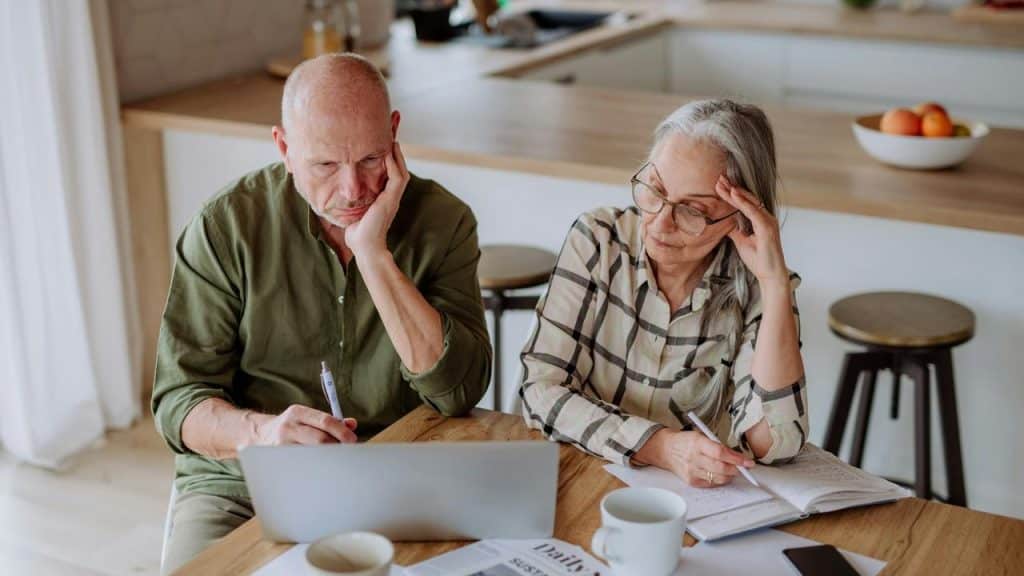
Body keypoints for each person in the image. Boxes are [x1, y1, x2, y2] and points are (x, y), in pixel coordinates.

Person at [152, 53, 491, 574]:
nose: (354, 191)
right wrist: (263, 435)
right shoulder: (227, 227)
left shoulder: (444, 223)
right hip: (244, 485)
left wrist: (374, 255)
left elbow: (458, 391)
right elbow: (179, 403)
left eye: (372, 160)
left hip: (390, 476)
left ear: (395, 132)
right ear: (284, 148)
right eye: (326, 165)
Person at [520, 99, 807, 488]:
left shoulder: (760, 284)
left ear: (738, 217)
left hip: (695, 502)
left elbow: (775, 445)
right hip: (576, 473)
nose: (659, 222)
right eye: (654, 190)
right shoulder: (599, 241)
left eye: (692, 210)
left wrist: (774, 287)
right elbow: (539, 390)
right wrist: (660, 447)